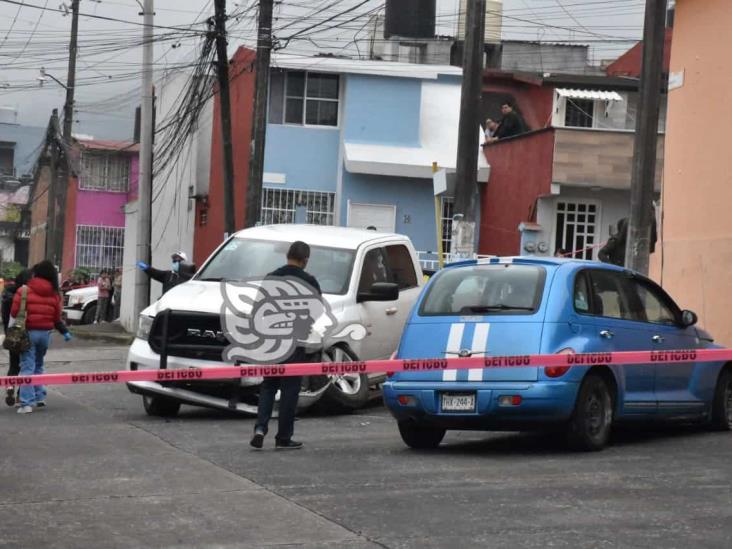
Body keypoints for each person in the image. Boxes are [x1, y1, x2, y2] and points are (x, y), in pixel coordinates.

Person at [250, 241, 322, 451]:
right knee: (290, 389)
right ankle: (283, 437)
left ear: (287, 256)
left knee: (269, 385)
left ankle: (260, 429)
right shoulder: (309, 281)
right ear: (305, 260)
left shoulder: (271, 278)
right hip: (295, 343)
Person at [10, 260, 72, 414]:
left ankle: (26, 403)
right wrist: (65, 332)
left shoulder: (23, 290)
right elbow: (57, 318)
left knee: (27, 367)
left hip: (28, 333)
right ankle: (40, 397)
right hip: (45, 335)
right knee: (39, 365)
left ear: (36, 273)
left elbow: (13, 312)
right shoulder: (55, 294)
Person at [2, 269, 32, 406]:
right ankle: (21, 394)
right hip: (25, 332)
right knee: (26, 365)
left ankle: (9, 387)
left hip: (12, 332)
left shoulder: (7, 294)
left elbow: (5, 316)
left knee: (13, 364)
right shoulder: (26, 294)